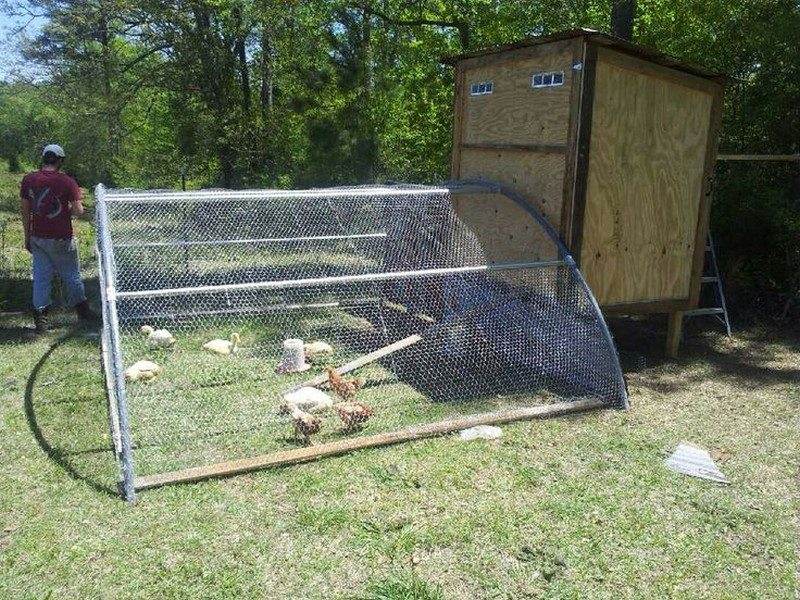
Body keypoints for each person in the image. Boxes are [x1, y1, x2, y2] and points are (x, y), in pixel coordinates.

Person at [20, 144, 96, 332]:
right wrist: (66, 209)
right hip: (62, 238)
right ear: (60, 161)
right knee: (71, 275)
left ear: (44, 158)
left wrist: (27, 236)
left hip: (38, 237)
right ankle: (82, 311)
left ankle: (41, 318)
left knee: (41, 277)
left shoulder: (29, 179)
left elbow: (25, 209)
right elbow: (78, 211)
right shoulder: (67, 181)